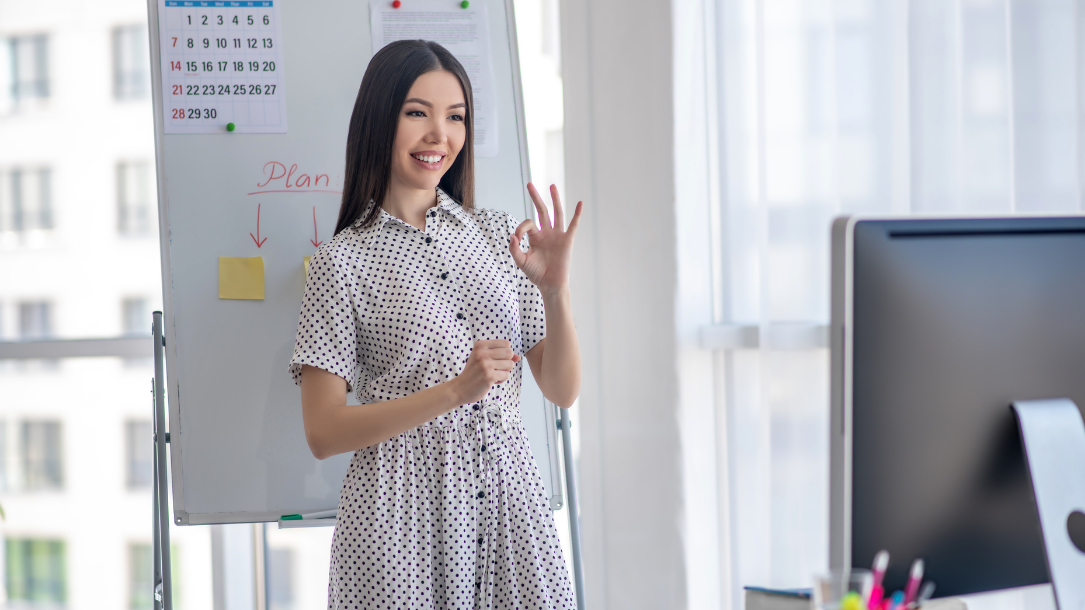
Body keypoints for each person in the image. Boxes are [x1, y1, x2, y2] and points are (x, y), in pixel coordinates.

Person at [288, 39, 582, 609]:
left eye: (456, 117)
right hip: (398, 525)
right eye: (417, 112)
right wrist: (455, 391)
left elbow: (562, 388)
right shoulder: (340, 263)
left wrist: (555, 290)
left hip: (510, 510)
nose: (439, 135)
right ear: (381, 118)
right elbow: (323, 432)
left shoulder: (500, 238)